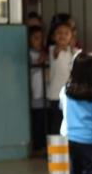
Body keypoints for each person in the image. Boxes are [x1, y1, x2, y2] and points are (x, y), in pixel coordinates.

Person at [47, 19, 79, 135]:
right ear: (53, 36)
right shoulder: (52, 50)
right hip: (55, 95)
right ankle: (55, 150)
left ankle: (67, 148)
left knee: (69, 123)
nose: (62, 36)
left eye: (66, 33)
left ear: (72, 37)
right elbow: (57, 51)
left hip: (70, 94)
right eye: (59, 33)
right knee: (56, 124)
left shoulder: (73, 52)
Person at [28, 25, 47, 157]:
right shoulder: (29, 55)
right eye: (36, 38)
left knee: (44, 121)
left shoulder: (45, 54)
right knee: (36, 122)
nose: (39, 41)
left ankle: (42, 146)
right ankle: (37, 147)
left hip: (45, 94)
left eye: (41, 38)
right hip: (34, 94)